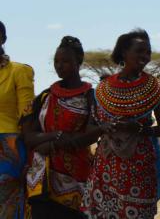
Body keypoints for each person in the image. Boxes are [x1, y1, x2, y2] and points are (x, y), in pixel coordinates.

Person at [86, 29, 160, 219]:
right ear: (124, 52)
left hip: (141, 169)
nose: (145, 56)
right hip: (106, 168)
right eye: (139, 51)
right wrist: (103, 128)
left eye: (147, 52)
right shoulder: (103, 88)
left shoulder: (154, 87)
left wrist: (138, 129)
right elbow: (90, 127)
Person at [23, 36, 99, 219]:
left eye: (65, 61)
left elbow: (92, 135)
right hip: (42, 178)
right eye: (56, 61)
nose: (59, 65)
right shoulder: (45, 97)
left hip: (77, 177)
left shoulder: (90, 97)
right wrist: (57, 135)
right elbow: (27, 135)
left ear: (78, 62)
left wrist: (51, 144)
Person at [0, 21, 34, 219]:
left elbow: (27, 117)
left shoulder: (19, 71)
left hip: (9, 148)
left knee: (7, 208)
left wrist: (30, 160)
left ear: (3, 39)